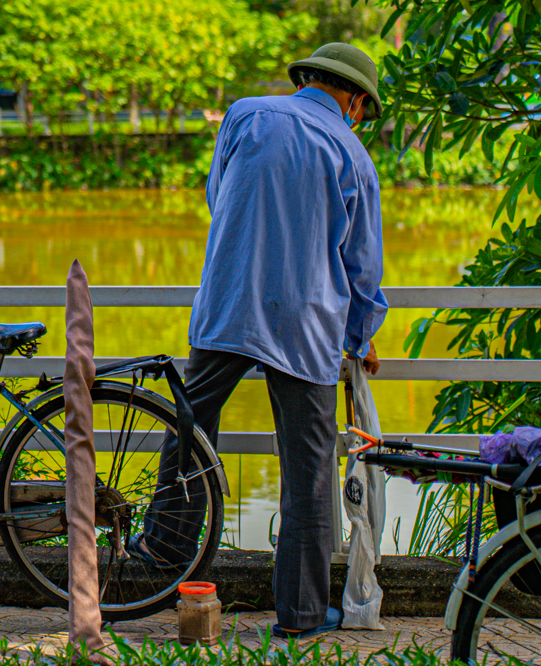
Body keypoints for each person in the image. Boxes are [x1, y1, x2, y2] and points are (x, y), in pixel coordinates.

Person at [143, 41, 388, 638]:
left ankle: (160, 562)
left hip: (231, 301)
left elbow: (218, 199)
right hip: (306, 322)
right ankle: (301, 617)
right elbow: (361, 266)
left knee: (191, 430)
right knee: (307, 468)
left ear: (305, 79)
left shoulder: (244, 115)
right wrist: (359, 336)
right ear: (353, 101)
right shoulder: (353, 155)